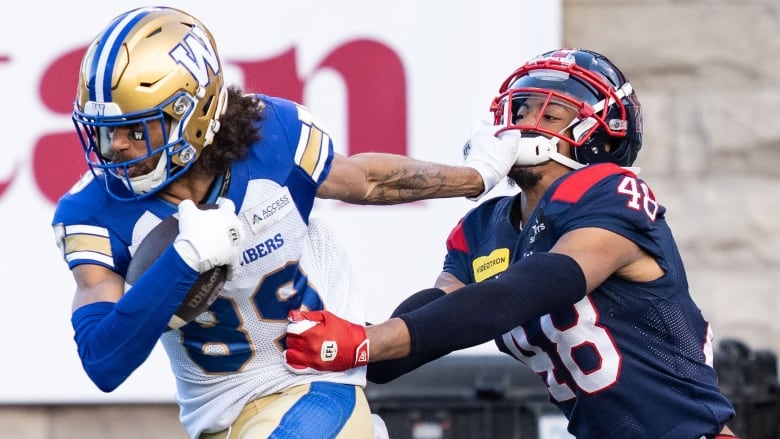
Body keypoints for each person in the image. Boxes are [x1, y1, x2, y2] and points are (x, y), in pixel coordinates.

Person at [50, 6, 520, 439]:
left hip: (313, 384)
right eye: (105, 130)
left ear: (192, 117)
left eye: (136, 129)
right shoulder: (93, 210)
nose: (116, 148)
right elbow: (103, 362)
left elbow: (369, 181)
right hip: (217, 418)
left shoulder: (272, 139)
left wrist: (475, 177)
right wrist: (184, 260)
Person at [284, 48, 742, 439]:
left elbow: (531, 288)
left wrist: (368, 341)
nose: (522, 121)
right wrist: (349, 338)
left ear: (597, 136)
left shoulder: (611, 193)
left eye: (547, 111)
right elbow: (431, 322)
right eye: (520, 109)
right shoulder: (486, 227)